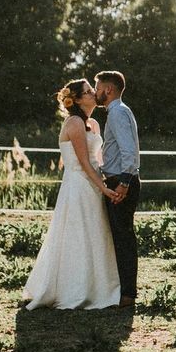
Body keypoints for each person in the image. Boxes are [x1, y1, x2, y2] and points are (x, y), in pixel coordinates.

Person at [21, 79, 121, 310]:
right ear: (76, 99)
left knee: (96, 232)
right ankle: (75, 289)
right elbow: (83, 162)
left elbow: (98, 159)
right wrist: (103, 187)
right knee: (78, 234)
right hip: (79, 184)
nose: (93, 93)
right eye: (88, 92)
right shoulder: (74, 123)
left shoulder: (93, 123)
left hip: (93, 182)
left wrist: (113, 179)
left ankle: (98, 286)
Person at [94, 70, 140, 307]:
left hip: (121, 182)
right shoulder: (120, 111)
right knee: (121, 236)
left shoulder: (118, 113)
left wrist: (123, 183)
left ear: (108, 89)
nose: (95, 92)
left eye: (97, 87)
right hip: (119, 180)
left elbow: (128, 152)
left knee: (123, 238)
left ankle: (127, 294)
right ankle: (122, 291)